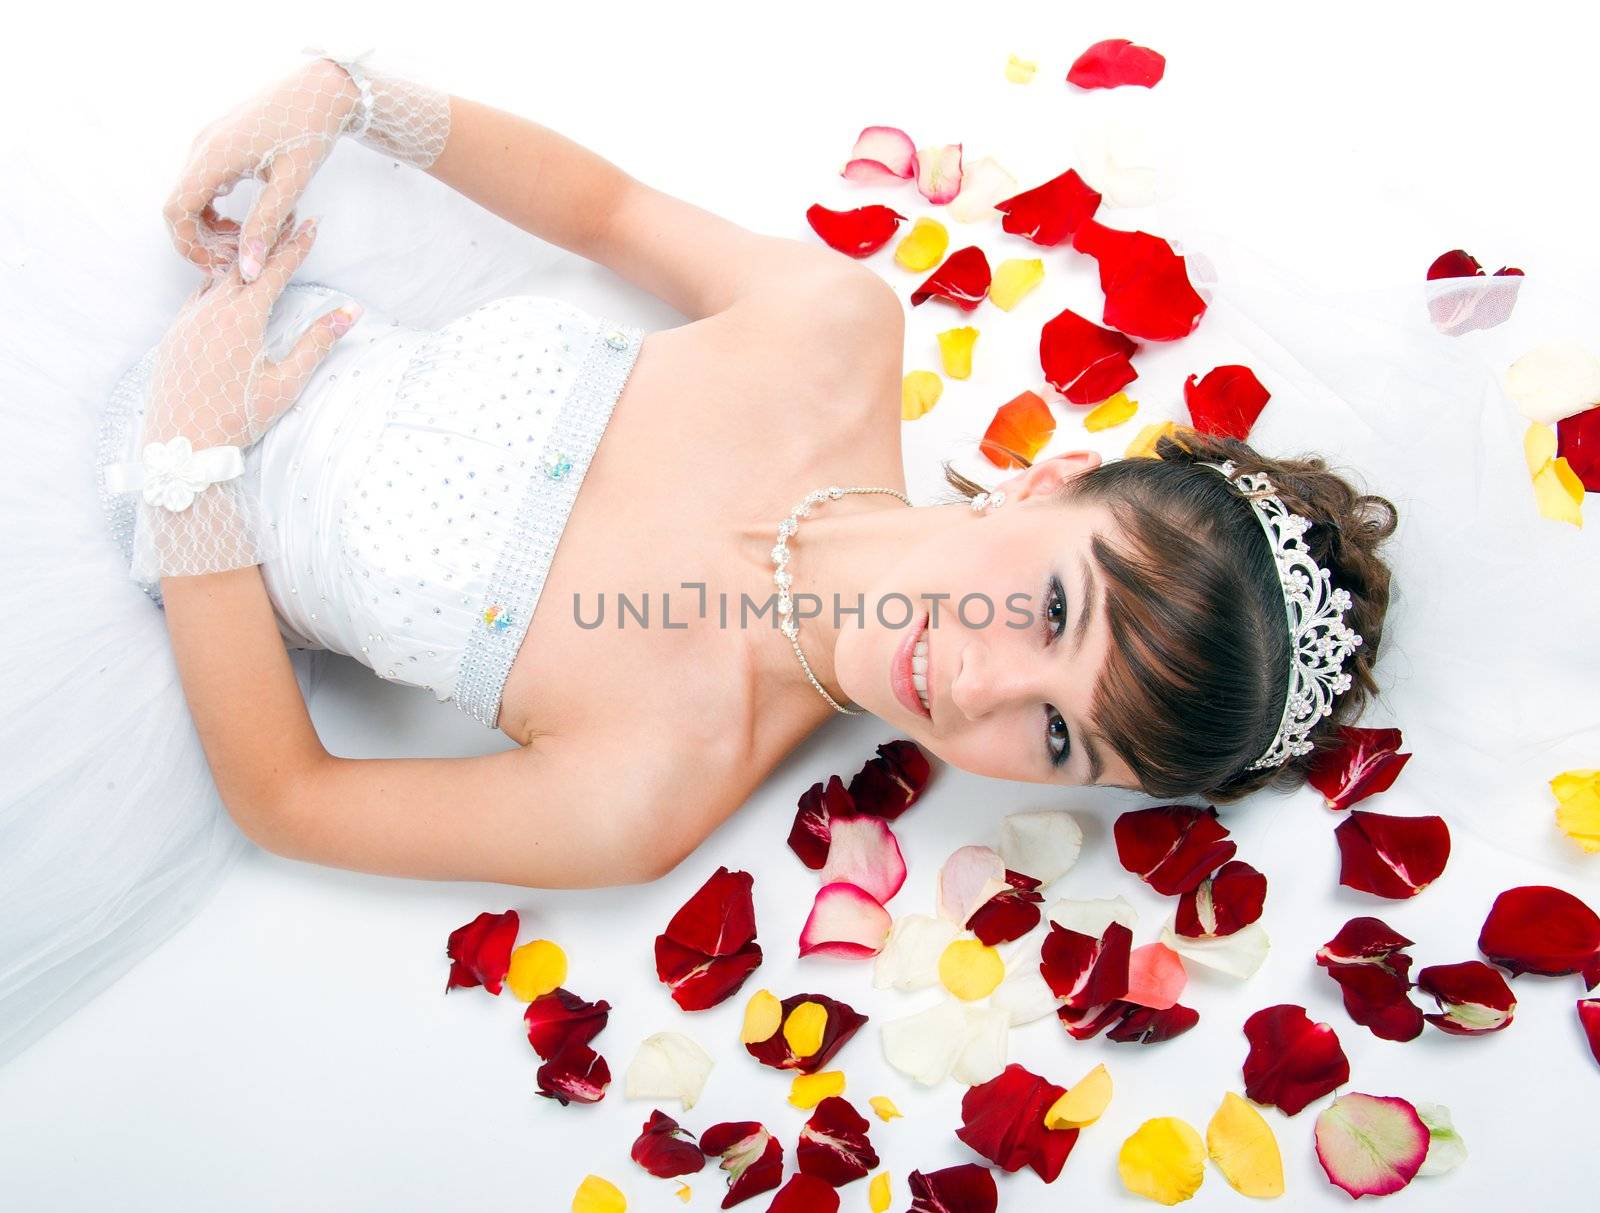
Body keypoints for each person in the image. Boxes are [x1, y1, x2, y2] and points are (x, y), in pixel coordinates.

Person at [3, 50, 1588, 1071]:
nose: (973, 678)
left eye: (1055, 734)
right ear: (1050, 476)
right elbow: (607, 205)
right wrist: (353, 98)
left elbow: (298, 796)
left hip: (95, 563)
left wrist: (195, 474)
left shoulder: (653, 789)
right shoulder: (835, 339)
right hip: (200, 259)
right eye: (1050, 604)